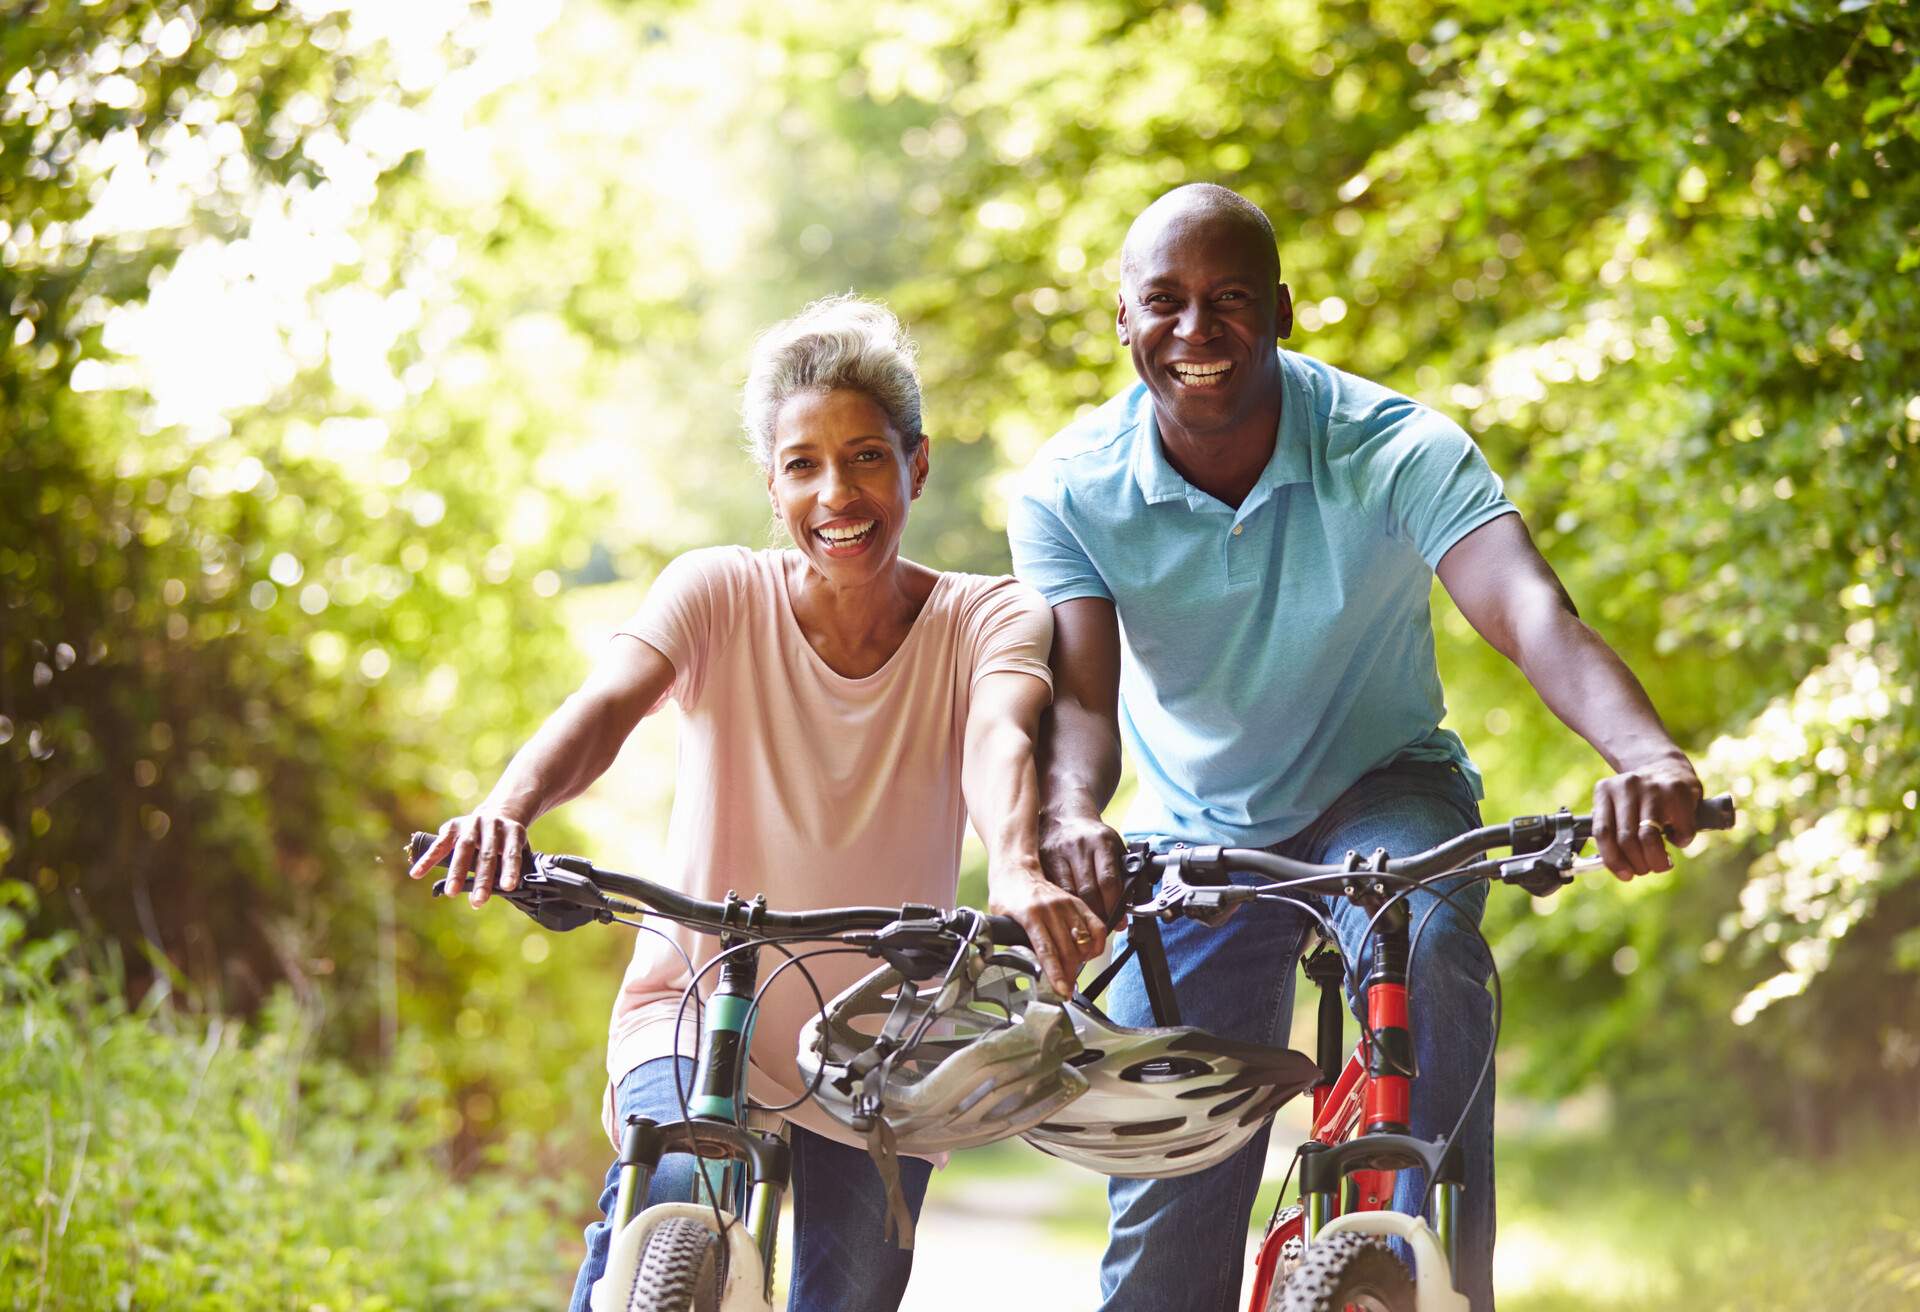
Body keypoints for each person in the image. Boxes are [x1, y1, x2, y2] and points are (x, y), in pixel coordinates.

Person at [1007, 184, 1706, 1312]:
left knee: (1424, 937)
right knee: (1168, 1192)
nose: (1198, 331)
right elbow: (1082, 702)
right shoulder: (1067, 490)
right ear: (1122, 324)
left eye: (1230, 299)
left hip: (1383, 789)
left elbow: (1532, 614)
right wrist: (1074, 813)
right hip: (1197, 826)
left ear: (1282, 310)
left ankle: (1421, 1250)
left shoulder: (1394, 447)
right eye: (1166, 303)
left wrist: (1646, 753)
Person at [409, 294, 1105, 1312]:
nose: (838, 491)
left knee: (853, 1288)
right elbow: (603, 708)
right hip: (692, 1002)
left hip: (882, 1042)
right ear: (773, 488)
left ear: (916, 466)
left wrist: (1015, 865)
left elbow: (999, 736)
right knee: (674, 1194)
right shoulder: (714, 592)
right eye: (803, 464)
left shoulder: (987, 615)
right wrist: (507, 806)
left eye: (867, 456)